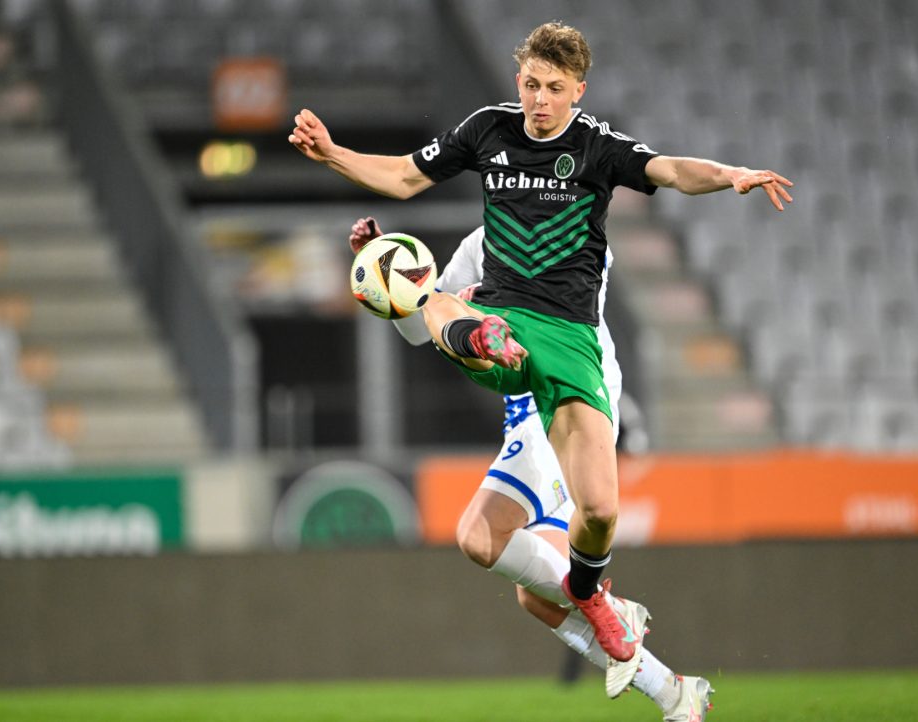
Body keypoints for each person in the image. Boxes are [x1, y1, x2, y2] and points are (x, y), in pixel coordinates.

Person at [291, 17, 791, 688]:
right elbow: (407, 177)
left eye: (554, 88)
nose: (539, 100)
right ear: (517, 81)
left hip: (571, 339)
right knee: (438, 301)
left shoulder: (597, 148)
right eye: (530, 84)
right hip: (502, 322)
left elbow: (669, 170)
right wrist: (335, 158)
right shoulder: (488, 135)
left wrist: (730, 175)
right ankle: (479, 336)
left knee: (600, 513)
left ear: (578, 90)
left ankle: (592, 597)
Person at [350, 216, 712, 721]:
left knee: (480, 535)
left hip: (565, 402)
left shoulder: (572, 228)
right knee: (538, 595)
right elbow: (421, 322)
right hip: (526, 416)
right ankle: (675, 694)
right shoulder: (480, 244)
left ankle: (610, 611)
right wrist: (391, 273)